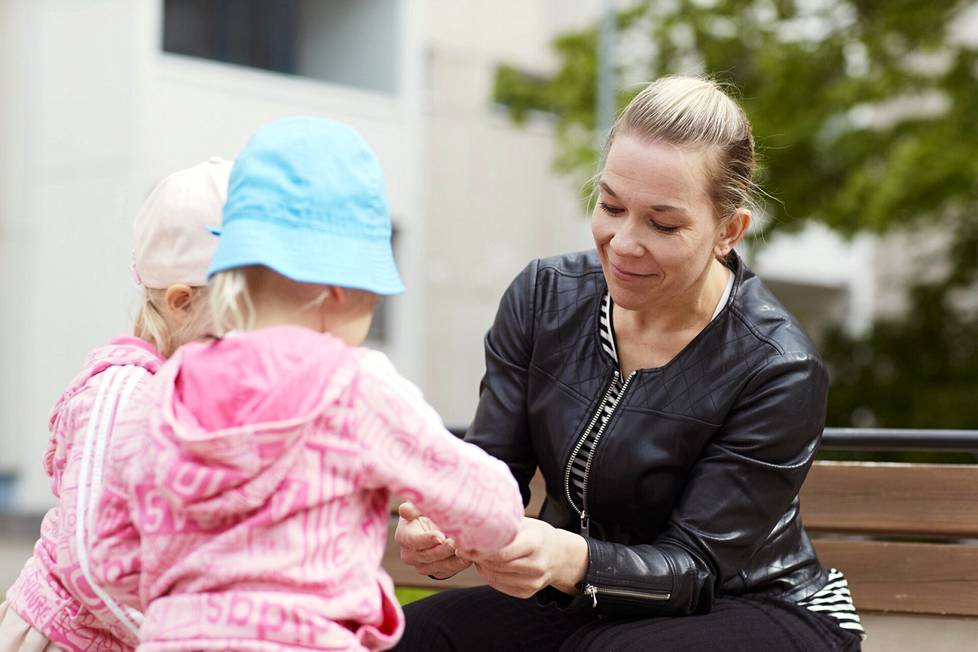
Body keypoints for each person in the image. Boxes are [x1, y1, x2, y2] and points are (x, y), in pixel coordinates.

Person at [393, 76, 865, 651]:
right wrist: (448, 531)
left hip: (760, 604)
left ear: (729, 230)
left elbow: (694, 567)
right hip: (589, 600)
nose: (622, 243)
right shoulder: (543, 299)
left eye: (663, 224)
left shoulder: (777, 366)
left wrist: (569, 557)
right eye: (611, 206)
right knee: (416, 636)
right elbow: (493, 473)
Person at [89, 116, 525, 652]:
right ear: (341, 290)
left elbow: (110, 558)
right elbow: (492, 508)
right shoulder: (352, 386)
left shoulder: (163, 391)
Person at [0, 157, 232, 652]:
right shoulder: (124, 394)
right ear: (181, 302)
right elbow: (92, 562)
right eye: (244, 317)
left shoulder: (197, 397)